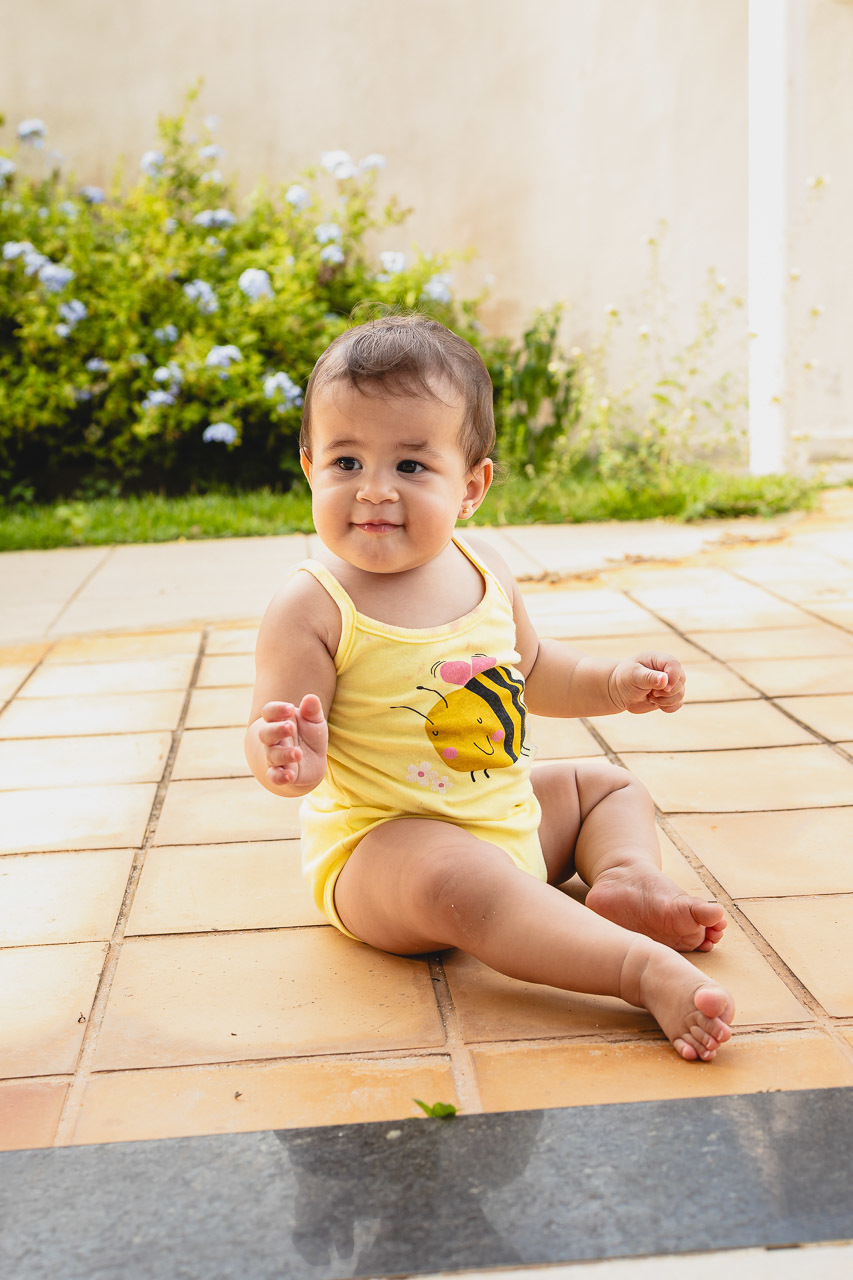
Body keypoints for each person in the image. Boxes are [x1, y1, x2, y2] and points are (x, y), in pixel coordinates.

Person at [245, 314, 734, 1063]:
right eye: (347, 462)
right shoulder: (311, 606)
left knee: (605, 786)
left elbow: (535, 673)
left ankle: (628, 879)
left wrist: (613, 682)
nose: (374, 491)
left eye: (410, 467)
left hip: (504, 823)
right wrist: (287, 757)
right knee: (463, 880)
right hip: (382, 853)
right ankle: (633, 968)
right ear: (310, 468)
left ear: (470, 487)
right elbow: (272, 732)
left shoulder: (485, 572)